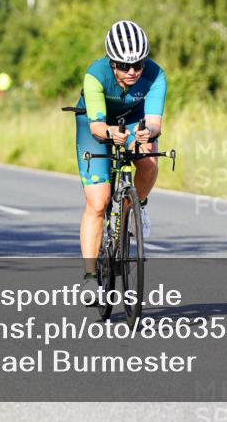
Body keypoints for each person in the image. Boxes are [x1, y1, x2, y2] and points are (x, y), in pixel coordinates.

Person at [75, 20, 167, 291]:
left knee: (149, 163)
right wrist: (111, 133)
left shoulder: (156, 75)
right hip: (95, 124)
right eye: (125, 66)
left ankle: (135, 209)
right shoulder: (96, 75)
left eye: (138, 64)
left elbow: (155, 123)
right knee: (98, 202)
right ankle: (91, 276)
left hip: (134, 121)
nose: (133, 71)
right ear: (112, 62)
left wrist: (147, 133)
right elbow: (97, 127)